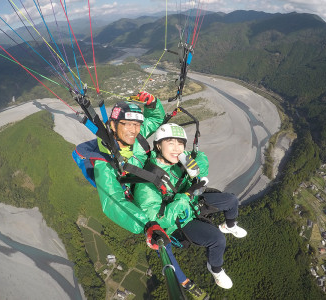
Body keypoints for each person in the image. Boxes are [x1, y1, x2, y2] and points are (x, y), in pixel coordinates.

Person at [86, 93, 208, 298]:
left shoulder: (135, 137)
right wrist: (146, 224)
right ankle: (184, 281)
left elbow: (156, 119)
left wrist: (151, 103)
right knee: (165, 239)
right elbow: (112, 200)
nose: (134, 129)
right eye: (127, 124)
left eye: (137, 124)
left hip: (157, 180)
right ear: (113, 125)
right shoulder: (105, 162)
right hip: (143, 199)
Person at [133, 123, 248, 289]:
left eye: (180, 143)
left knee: (231, 201)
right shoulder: (148, 181)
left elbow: (200, 156)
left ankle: (229, 225)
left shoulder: (181, 158)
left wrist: (195, 166)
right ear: (158, 145)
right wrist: (184, 197)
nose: (177, 148)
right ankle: (215, 269)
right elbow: (158, 220)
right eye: (170, 142)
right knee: (217, 240)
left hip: (192, 201)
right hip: (179, 220)